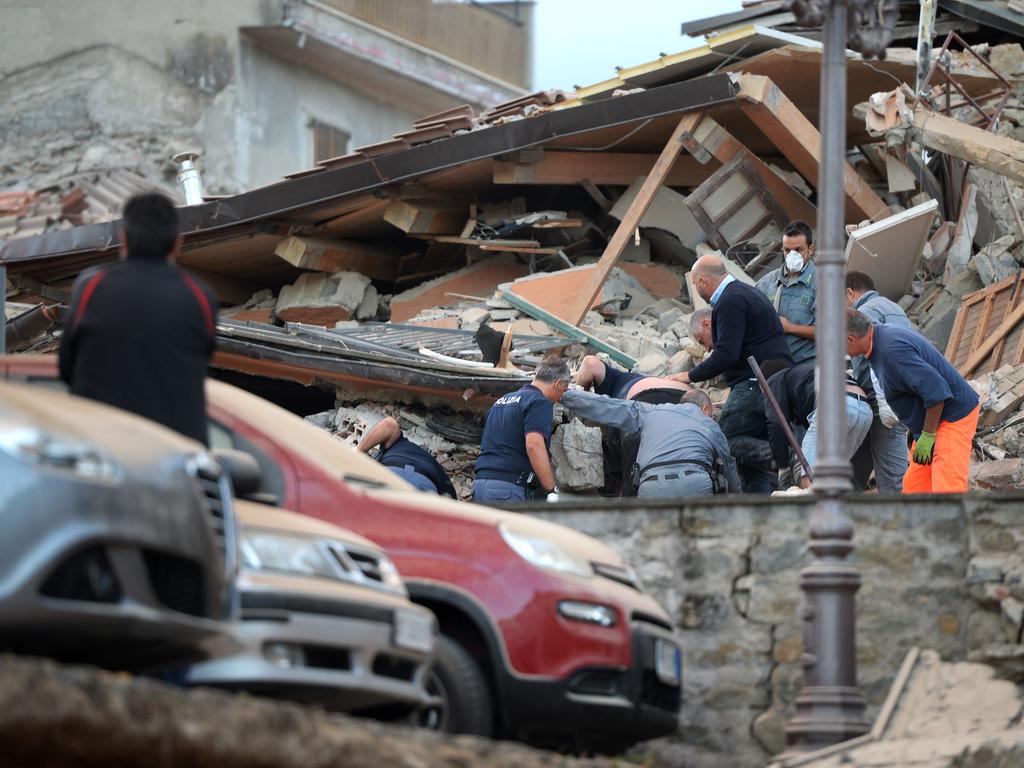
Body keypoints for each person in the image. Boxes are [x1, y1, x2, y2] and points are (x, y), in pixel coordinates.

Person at [59, 192, 217, 446]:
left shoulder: (91, 287)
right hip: (176, 460)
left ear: (123, 239)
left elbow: (66, 368)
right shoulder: (200, 297)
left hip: (102, 454)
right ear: (178, 243)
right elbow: (201, 364)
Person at [668, 255, 793, 493]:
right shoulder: (746, 292)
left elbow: (726, 354)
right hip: (772, 378)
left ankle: (782, 458)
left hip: (755, 381)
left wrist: (688, 376)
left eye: (695, 285)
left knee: (723, 440)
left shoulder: (729, 301)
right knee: (748, 463)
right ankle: (758, 507)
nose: (706, 348)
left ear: (703, 282)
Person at [846, 309, 980, 494]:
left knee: (948, 491)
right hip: (932, 421)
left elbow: (937, 391)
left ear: (850, 339)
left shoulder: (891, 351)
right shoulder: (878, 340)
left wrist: (928, 435)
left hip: (952, 417)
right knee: (914, 490)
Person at [561, 387, 740, 498]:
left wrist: (564, 395)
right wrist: (737, 503)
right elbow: (729, 466)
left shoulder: (651, 412)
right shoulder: (708, 422)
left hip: (652, 487)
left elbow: (607, 406)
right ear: (705, 408)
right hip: (695, 483)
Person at [846, 270, 914, 492]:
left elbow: (874, 353)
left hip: (884, 399)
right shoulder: (893, 307)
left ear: (849, 293)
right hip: (902, 394)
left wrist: (884, 401)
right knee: (861, 461)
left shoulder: (865, 312)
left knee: (891, 476)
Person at [760, 360, 873, 489]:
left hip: (836, 405)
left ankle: (816, 507)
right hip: (864, 409)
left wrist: (782, 467)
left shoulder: (774, 380)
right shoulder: (804, 375)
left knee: (809, 477)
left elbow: (776, 422)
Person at [473, 356, 570, 503]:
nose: (560, 398)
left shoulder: (502, 401)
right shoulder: (539, 402)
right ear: (558, 383)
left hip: (480, 486)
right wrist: (550, 490)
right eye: (563, 391)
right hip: (507, 490)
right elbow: (534, 444)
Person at [756, 220, 817, 363]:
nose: (792, 255)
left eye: (798, 250)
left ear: (811, 249)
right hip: (773, 366)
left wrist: (790, 328)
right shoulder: (766, 283)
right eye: (787, 250)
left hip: (807, 366)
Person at [357, 416, 457, 498]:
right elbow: (451, 502)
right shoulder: (434, 465)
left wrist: (357, 451)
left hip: (392, 475)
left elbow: (389, 424)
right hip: (425, 487)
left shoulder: (396, 444)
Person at [574, 355, 692, 401]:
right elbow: (590, 363)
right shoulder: (618, 377)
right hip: (690, 395)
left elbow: (589, 363)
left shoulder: (614, 381)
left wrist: (579, 399)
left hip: (633, 396)